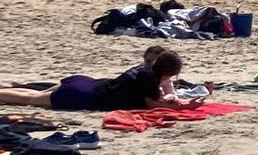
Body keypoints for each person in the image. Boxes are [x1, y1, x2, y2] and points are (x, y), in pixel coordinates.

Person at [1, 47, 185, 111]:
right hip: (85, 95)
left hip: (87, 83)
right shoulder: (150, 79)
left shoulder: (143, 69)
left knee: (34, 93)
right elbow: (151, 104)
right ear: (168, 73)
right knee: (30, 99)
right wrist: (181, 106)